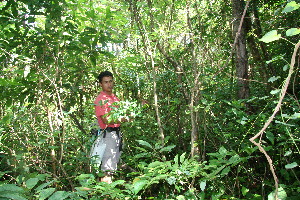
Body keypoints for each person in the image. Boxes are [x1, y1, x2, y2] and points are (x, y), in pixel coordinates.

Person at [92, 70, 127, 183]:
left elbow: (123, 114)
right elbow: (106, 120)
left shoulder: (114, 98)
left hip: (117, 134)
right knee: (107, 168)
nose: (109, 84)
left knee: (114, 165)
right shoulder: (100, 100)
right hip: (108, 135)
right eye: (106, 82)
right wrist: (123, 119)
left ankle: (107, 192)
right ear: (101, 84)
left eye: (111, 81)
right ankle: (105, 193)